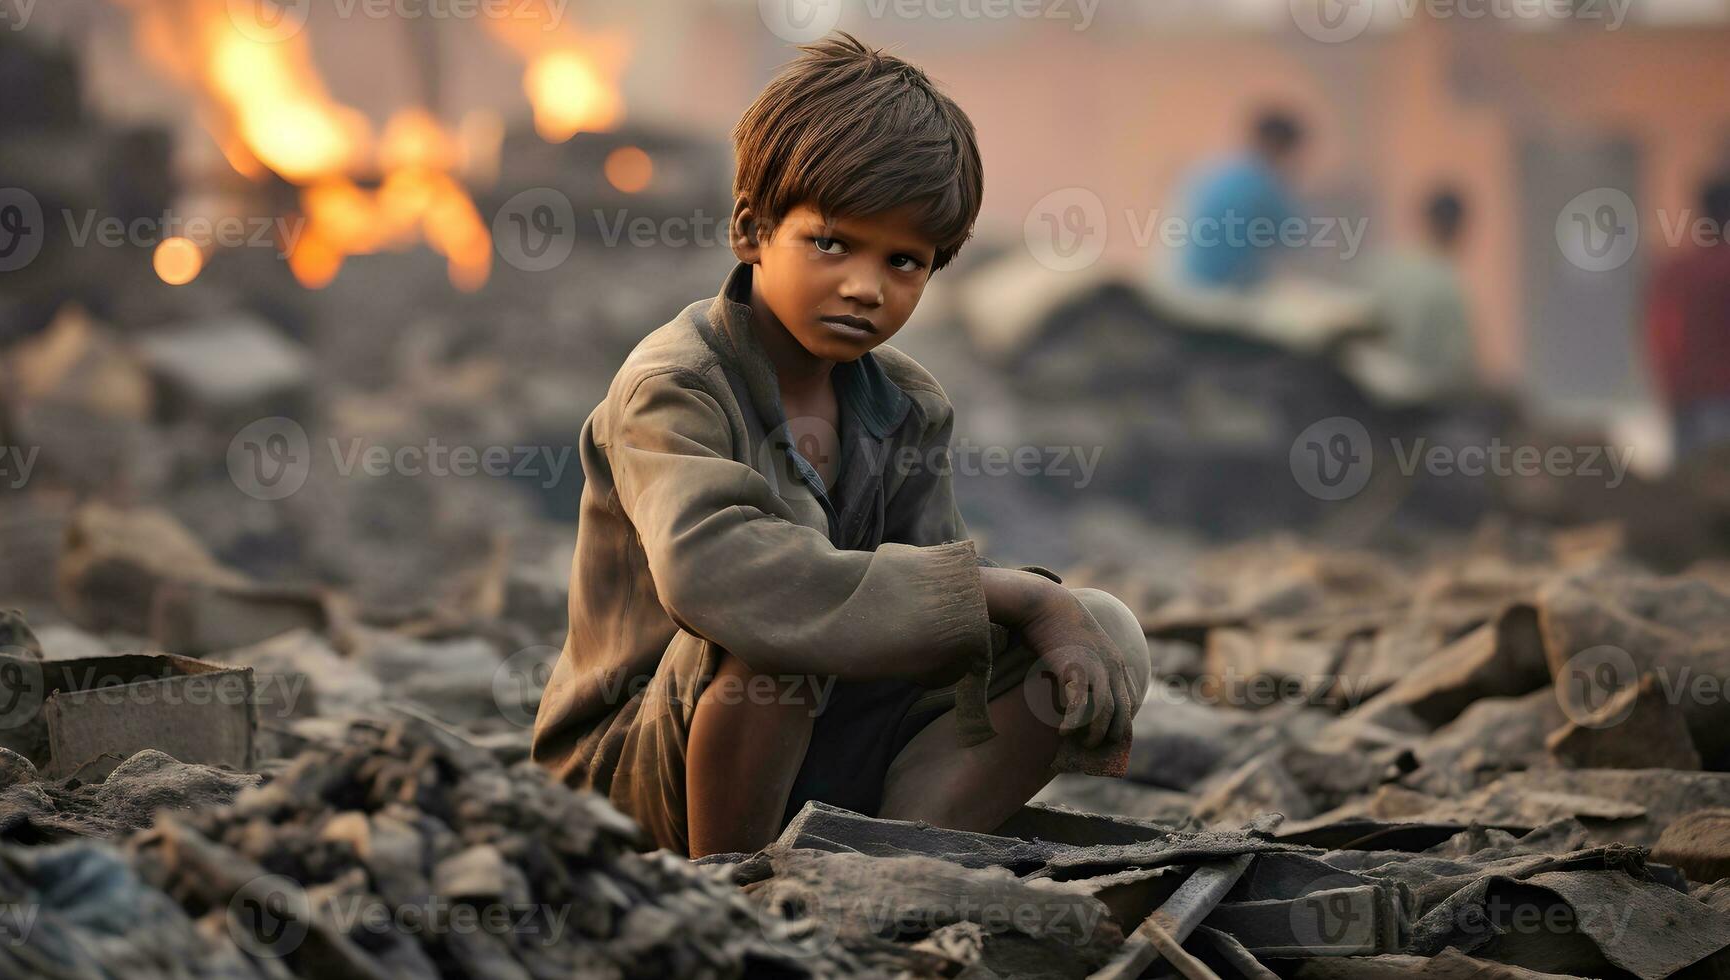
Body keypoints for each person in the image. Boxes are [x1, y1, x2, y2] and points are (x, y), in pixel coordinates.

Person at [530, 32, 1151, 858]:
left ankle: (878, 864)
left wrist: (1052, 623)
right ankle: (736, 894)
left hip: (819, 742)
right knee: (771, 637)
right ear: (752, 230)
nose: (867, 286)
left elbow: (930, 630)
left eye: (904, 261)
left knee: (1101, 626)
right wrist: (1022, 595)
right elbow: (717, 575)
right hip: (632, 780)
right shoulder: (674, 387)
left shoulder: (908, 406)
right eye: (832, 243)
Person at [1346, 186, 1479, 406]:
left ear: (1423, 218)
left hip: (1358, 395)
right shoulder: (1448, 286)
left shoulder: (1378, 264)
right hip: (1411, 408)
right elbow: (1459, 366)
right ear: (1459, 230)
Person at [1174, 108, 1306, 290]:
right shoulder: (1265, 185)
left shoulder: (1214, 171)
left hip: (1187, 280)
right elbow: (1293, 236)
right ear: (1282, 146)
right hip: (1227, 288)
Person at [1645, 176, 1730, 459]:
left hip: (1683, 394)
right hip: (1720, 398)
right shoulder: (1720, 269)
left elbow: (1659, 333)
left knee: (1690, 482)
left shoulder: (1676, 269)